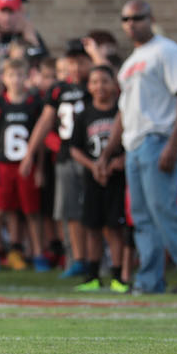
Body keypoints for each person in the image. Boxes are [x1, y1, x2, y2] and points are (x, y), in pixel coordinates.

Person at [101, 0, 177, 295]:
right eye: (126, 18)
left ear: (151, 18)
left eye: (137, 17)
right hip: (134, 144)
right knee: (142, 217)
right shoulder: (130, 62)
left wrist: (174, 142)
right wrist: (108, 152)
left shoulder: (166, 50)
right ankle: (150, 280)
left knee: (164, 210)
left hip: (158, 138)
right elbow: (124, 112)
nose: (131, 23)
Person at [32, 47, 91, 277]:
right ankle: (77, 258)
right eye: (72, 63)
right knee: (70, 211)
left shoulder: (95, 83)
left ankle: (99, 258)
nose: (76, 68)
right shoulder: (58, 89)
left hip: (92, 155)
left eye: (81, 62)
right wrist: (30, 154)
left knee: (94, 210)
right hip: (66, 156)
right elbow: (46, 122)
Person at [72, 65, 129, 293]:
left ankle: (117, 276)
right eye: (94, 82)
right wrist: (93, 166)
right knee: (92, 228)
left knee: (114, 228)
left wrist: (120, 161)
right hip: (92, 178)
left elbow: (131, 141)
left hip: (116, 178)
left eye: (104, 81)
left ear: (114, 85)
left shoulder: (120, 111)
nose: (100, 87)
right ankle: (93, 276)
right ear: (89, 86)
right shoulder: (84, 113)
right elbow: (75, 148)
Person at [0, 58, 48, 273]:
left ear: (27, 77)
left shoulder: (34, 103)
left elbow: (39, 139)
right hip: (4, 165)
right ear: (5, 78)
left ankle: (39, 253)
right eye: (11, 75)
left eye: (20, 75)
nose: (16, 80)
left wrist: (39, 167)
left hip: (26, 165)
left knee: (32, 212)